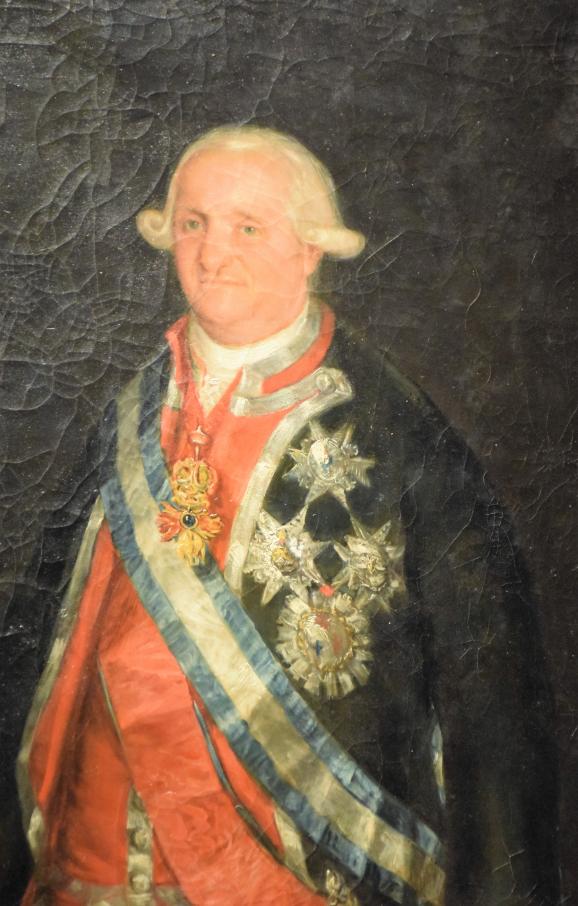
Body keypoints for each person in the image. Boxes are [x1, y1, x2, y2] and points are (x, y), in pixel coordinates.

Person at [17, 125, 559, 906]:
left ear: (309, 250)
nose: (212, 254)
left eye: (247, 228)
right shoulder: (129, 413)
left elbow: (493, 700)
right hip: (91, 866)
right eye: (194, 223)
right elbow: (35, 643)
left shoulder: (396, 430)